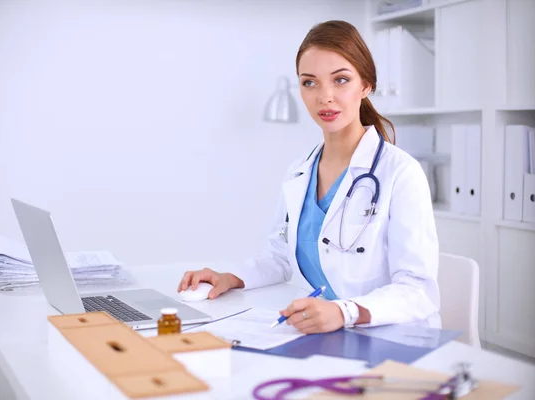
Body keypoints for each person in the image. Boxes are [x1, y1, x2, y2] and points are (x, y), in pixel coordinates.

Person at [177, 20, 440, 333]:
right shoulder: (299, 171)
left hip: (384, 334)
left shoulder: (400, 173)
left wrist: (344, 313)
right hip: (315, 332)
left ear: (366, 85)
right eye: (309, 82)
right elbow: (281, 258)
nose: (324, 96)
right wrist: (229, 277)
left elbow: (418, 289)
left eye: (341, 80)